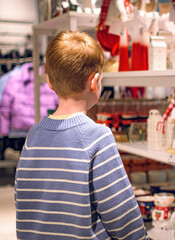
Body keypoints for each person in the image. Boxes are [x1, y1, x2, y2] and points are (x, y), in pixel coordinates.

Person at [15, 30, 148, 240]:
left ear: (49, 81)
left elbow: (25, 200)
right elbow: (121, 215)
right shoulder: (97, 137)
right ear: (94, 82)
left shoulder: (34, 135)